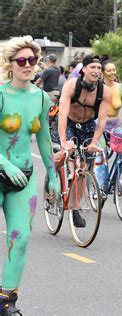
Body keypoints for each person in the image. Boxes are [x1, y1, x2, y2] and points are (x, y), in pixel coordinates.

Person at [0, 35, 59, 315]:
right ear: (10, 64)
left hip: (23, 177)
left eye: (32, 60)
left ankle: (5, 302)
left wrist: (53, 174)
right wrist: (5, 164)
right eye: (21, 60)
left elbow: (45, 138)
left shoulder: (42, 98)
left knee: (20, 238)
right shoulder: (0, 94)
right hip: (2, 169)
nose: (28, 65)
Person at [57, 54, 111, 227]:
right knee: (66, 153)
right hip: (69, 123)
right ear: (84, 70)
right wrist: (64, 140)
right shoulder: (71, 85)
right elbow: (63, 113)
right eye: (92, 68)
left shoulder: (104, 92)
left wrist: (94, 142)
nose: (96, 71)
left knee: (84, 169)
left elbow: (102, 121)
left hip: (87, 125)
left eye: (98, 68)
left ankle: (75, 209)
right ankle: (53, 177)